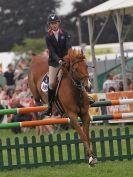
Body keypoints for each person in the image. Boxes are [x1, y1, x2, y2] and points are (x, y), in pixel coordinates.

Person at [43, 14, 72, 116]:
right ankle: (50, 107)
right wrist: (59, 60)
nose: (54, 25)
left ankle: (86, 96)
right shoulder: (48, 36)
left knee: (78, 73)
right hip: (54, 62)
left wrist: (68, 57)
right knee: (51, 83)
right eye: (52, 23)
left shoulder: (65, 33)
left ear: (58, 23)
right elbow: (52, 51)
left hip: (66, 60)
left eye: (55, 23)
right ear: (50, 25)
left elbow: (68, 46)